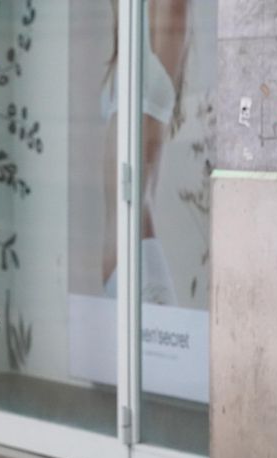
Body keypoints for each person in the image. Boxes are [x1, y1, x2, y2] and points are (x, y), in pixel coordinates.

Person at [100, 0, 188, 304]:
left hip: (141, 266)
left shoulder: (161, 34)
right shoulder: (129, 31)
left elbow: (176, 9)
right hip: (122, 260)